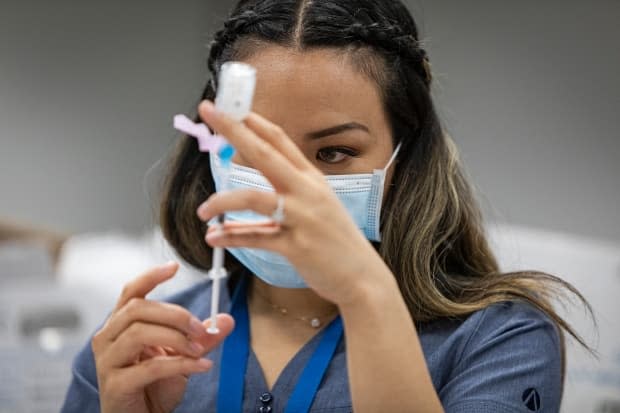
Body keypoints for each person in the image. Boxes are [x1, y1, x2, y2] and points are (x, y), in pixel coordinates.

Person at [60, 1, 592, 412]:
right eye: (255, 147)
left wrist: (365, 294)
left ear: (404, 162)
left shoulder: (500, 341)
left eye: (333, 153)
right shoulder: (141, 348)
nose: (292, 188)